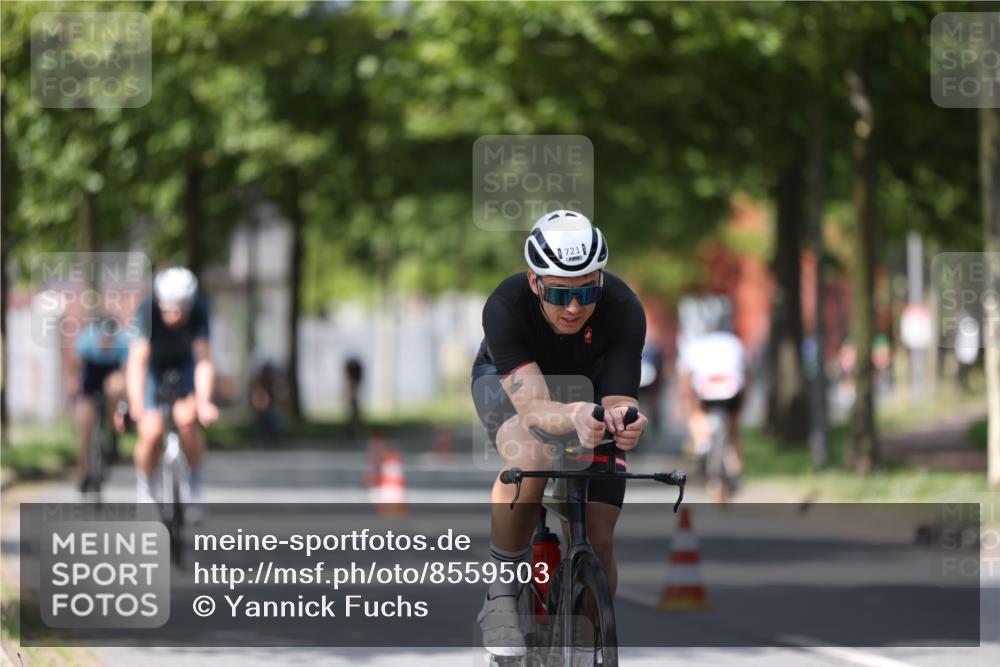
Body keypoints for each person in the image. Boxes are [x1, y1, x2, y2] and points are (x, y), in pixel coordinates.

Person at [470, 210, 647, 657]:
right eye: (559, 293)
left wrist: (626, 423)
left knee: (600, 534)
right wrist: (574, 415)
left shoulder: (624, 308)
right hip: (513, 385)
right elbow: (533, 409)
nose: (574, 307)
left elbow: (619, 401)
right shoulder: (505, 305)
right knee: (532, 456)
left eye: (587, 291)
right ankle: (501, 595)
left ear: (601, 279)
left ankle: (587, 643)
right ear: (534, 282)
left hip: (586, 391)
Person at [126, 267, 218, 507]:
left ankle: (196, 483)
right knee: (151, 433)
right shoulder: (147, 311)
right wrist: (137, 406)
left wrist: (204, 402)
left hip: (185, 366)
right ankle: (146, 486)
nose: (176, 315)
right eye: (170, 308)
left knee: (187, 421)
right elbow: (138, 363)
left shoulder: (199, 310)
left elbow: (203, 361)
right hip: (154, 370)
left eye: (182, 308)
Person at [677, 311, 747, 504]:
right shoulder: (735, 342)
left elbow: (686, 377)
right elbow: (746, 371)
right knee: (734, 432)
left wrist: (686, 404)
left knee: (697, 413)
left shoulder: (697, 345)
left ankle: (702, 441)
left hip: (706, 392)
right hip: (732, 389)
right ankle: (736, 473)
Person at [71, 314, 130, 493]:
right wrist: (74, 387)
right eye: (103, 338)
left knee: (114, 390)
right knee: (84, 427)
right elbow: (75, 369)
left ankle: (113, 440)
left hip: (111, 376)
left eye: (110, 338)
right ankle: (83, 472)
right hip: (91, 379)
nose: (106, 342)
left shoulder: (123, 343)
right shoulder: (85, 341)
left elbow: (126, 372)